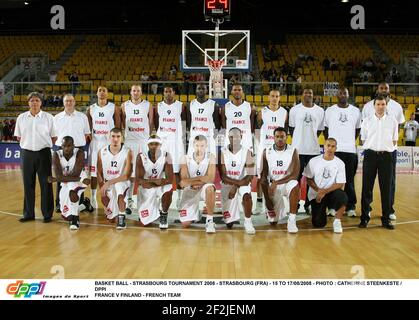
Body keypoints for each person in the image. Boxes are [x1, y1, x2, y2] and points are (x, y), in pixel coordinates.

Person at [362, 82, 405, 221]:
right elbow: (364, 138)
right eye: (378, 105)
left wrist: (385, 148)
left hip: (388, 154)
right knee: (367, 186)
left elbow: (395, 138)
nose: (380, 106)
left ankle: (387, 214)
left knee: (388, 186)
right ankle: (365, 214)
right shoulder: (367, 116)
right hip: (370, 154)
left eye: (383, 105)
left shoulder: (394, 115)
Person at [14, 92, 57, 223]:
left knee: (46, 184)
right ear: (28, 102)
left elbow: (54, 137)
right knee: (28, 184)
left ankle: (47, 214)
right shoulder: (21, 118)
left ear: (41, 102)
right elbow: (18, 137)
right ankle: (28, 214)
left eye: (37, 100)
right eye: (32, 100)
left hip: (43, 153)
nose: (34, 103)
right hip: (27, 154)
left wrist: (43, 145)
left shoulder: (49, 117)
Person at [324, 87, 361, 217]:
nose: (342, 95)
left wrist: (348, 141)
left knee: (349, 181)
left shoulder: (356, 111)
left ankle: (351, 207)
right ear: (337, 95)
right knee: (333, 181)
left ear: (348, 94)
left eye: (345, 92)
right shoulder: (329, 111)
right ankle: (332, 207)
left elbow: (358, 130)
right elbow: (325, 130)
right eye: (340, 93)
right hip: (335, 151)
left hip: (350, 151)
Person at [53, 93, 92, 214]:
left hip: (78, 150)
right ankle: (60, 204)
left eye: (71, 101)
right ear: (63, 103)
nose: (69, 103)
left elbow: (87, 134)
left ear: (75, 102)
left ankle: (78, 203)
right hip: (62, 149)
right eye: (67, 101)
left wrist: (77, 147)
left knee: (78, 177)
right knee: (61, 177)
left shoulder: (82, 117)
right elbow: (53, 135)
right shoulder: (57, 117)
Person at [289, 86, 325, 213]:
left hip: (313, 151)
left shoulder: (320, 111)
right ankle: (295, 203)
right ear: (301, 95)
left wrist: (310, 137)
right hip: (298, 150)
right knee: (295, 179)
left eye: (310, 92)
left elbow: (320, 130)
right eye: (306, 92)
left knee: (313, 180)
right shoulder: (294, 110)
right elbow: (292, 128)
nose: (308, 94)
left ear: (313, 95)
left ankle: (310, 205)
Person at [260, 127, 300, 233]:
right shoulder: (266, 151)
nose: (280, 139)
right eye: (277, 136)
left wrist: (277, 182)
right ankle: (275, 209)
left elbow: (295, 174)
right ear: (273, 138)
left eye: (282, 136)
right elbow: (263, 177)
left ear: (286, 138)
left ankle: (292, 220)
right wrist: (267, 199)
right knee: (273, 222)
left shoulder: (293, 151)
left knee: (295, 184)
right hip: (273, 186)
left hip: (286, 183)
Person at [121, 84, 153, 214]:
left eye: (138, 90)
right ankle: (129, 200)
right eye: (133, 90)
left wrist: (147, 137)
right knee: (129, 173)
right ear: (130, 92)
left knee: (144, 172)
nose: (136, 92)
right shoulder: (124, 105)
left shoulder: (148, 105)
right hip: (130, 141)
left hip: (143, 142)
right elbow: (123, 122)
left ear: (141, 92)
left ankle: (145, 200)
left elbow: (151, 123)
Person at [303, 138, 347, 234]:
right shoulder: (314, 161)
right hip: (316, 194)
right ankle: (316, 209)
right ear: (324, 147)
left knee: (343, 196)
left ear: (336, 148)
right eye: (328, 145)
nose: (330, 148)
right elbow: (308, 179)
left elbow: (340, 183)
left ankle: (337, 221)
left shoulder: (340, 163)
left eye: (333, 146)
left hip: (331, 192)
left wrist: (324, 191)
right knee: (318, 223)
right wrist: (318, 190)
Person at [87, 86, 121, 209]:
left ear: (107, 94)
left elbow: (118, 127)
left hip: (109, 144)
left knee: (110, 172)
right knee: (94, 173)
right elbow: (88, 129)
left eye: (104, 91)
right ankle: (92, 197)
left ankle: (110, 197)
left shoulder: (114, 108)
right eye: (99, 90)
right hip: (95, 144)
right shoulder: (91, 109)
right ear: (96, 93)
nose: (101, 92)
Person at [255, 89, 288, 215]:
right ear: (268, 97)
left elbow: (284, 131)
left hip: (278, 149)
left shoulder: (284, 112)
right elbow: (257, 129)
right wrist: (260, 144)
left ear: (280, 98)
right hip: (264, 147)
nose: (274, 98)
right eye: (272, 96)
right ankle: (259, 202)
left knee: (278, 175)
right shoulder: (262, 112)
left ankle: (278, 202)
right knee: (261, 176)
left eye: (277, 96)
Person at [219, 128, 256, 234]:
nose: (234, 139)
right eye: (231, 137)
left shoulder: (248, 152)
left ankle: (248, 222)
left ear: (241, 137)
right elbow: (223, 176)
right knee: (229, 224)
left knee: (246, 195)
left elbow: (249, 175)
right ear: (228, 138)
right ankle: (231, 214)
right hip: (227, 184)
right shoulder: (222, 152)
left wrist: (235, 187)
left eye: (237, 136)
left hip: (243, 182)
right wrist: (234, 185)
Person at [48, 136, 90, 230]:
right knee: (66, 215)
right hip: (68, 181)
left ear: (73, 146)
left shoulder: (80, 152)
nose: (66, 148)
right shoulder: (56, 154)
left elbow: (76, 173)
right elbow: (59, 175)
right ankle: (84, 205)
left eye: (69, 146)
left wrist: (57, 179)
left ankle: (75, 220)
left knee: (72, 190)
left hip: (80, 181)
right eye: (64, 146)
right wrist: (58, 178)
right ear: (61, 146)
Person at [155, 84, 186, 209]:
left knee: (177, 172)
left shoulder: (180, 105)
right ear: (163, 93)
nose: (168, 93)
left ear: (174, 93)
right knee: (160, 171)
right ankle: (158, 196)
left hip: (176, 142)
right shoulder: (158, 106)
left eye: (170, 91)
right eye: (166, 91)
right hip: (163, 142)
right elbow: (156, 123)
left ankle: (180, 198)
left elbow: (184, 123)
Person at [178, 135, 216, 233]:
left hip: (203, 188)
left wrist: (192, 180)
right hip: (190, 189)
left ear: (206, 145)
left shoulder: (211, 157)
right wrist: (201, 178)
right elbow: (183, 182)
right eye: (197, 145)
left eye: (202, 146)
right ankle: (195, 213)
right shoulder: (185, 158)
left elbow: (211, 179)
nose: (199, 148)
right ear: (193, 145)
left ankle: (210, 220)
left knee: (210, 188)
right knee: (185, 224)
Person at [97, 127, 132, 230]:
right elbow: (98, 171)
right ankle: (115, 212)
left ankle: (122, 218)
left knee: (118, 187)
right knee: (111, 219)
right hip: (108, 185)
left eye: (118, 136)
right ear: (109, 137)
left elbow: (126, 176)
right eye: (113, 136)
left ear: (122, 138)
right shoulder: (102, 151)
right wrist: (102, 187)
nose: (115, 139)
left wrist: (108, 183)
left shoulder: (128, 152)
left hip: (122, 182)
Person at [136, 135, 174, 229]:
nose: (154, 146)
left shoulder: (166, 155)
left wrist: (152, 182)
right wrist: (155, 181)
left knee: (169, 188)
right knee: (145, 223)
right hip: (147, 187)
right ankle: (150, 212)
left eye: (156, 144)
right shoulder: (141, 157)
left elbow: (169, 179)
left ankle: (164, 214)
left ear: (160, 145)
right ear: (148, 145)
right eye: (151, 144)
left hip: (158, 185)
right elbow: (139, 180)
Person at [186, 83, 219, 156]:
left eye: (203, 89)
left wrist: (214, 136)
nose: (201, 90)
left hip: (209, 137)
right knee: (192, 162)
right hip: (195, 136)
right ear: (196, 90)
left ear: (206, 90)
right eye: (199, 89)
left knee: (210, 162)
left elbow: (217, 123)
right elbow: (189, 122)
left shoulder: (214, 104)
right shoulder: (190, 104)